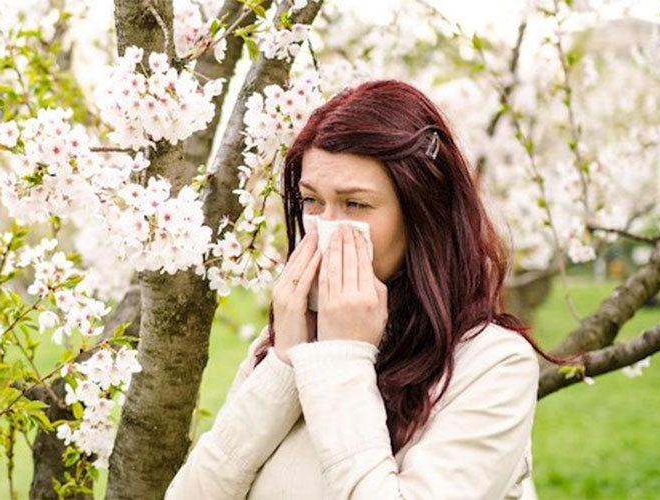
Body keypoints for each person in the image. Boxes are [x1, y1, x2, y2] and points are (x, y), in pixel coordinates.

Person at [165, 79, 577, 499]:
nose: (325, 227)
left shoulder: (492, 364)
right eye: (311, 202)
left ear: (421, 216)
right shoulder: (289, 341)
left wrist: (341, 359)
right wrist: (285, 365)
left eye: (355, 204)